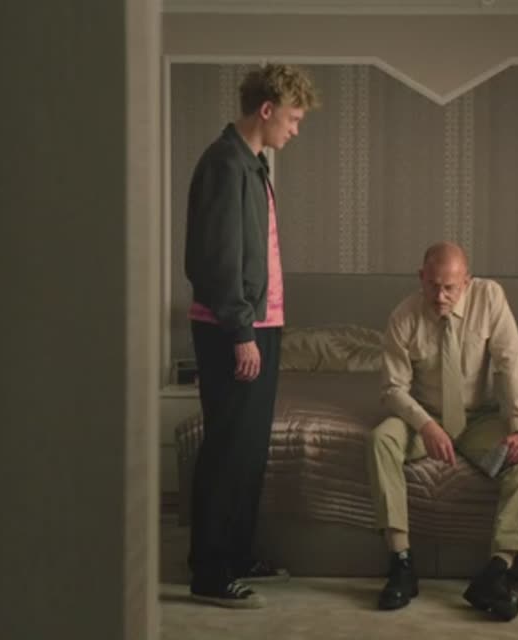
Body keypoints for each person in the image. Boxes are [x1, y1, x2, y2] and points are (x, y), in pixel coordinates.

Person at [184, 63, 319, 609]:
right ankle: (210, 571)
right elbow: (216, 262)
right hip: (233, 329)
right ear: (267, 110)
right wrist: (240, 331)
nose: (296, 129)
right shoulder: (224, 163)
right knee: (227, 447)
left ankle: (236, 554)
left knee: (249, 450)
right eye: (293, 118)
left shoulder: (251, 163)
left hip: (260, 325)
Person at [367, 242, 518, 621]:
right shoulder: (404, 315)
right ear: (421, 278)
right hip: (424, 417)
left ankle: (497, 572)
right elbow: (392, 389)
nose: (440, 296)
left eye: (450, 287)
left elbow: (511, 364)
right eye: (432, 286)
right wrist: (426, 425)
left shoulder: (490, 298)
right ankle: (401, 561)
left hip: (479, 418)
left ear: (467, 281)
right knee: (381, 439)